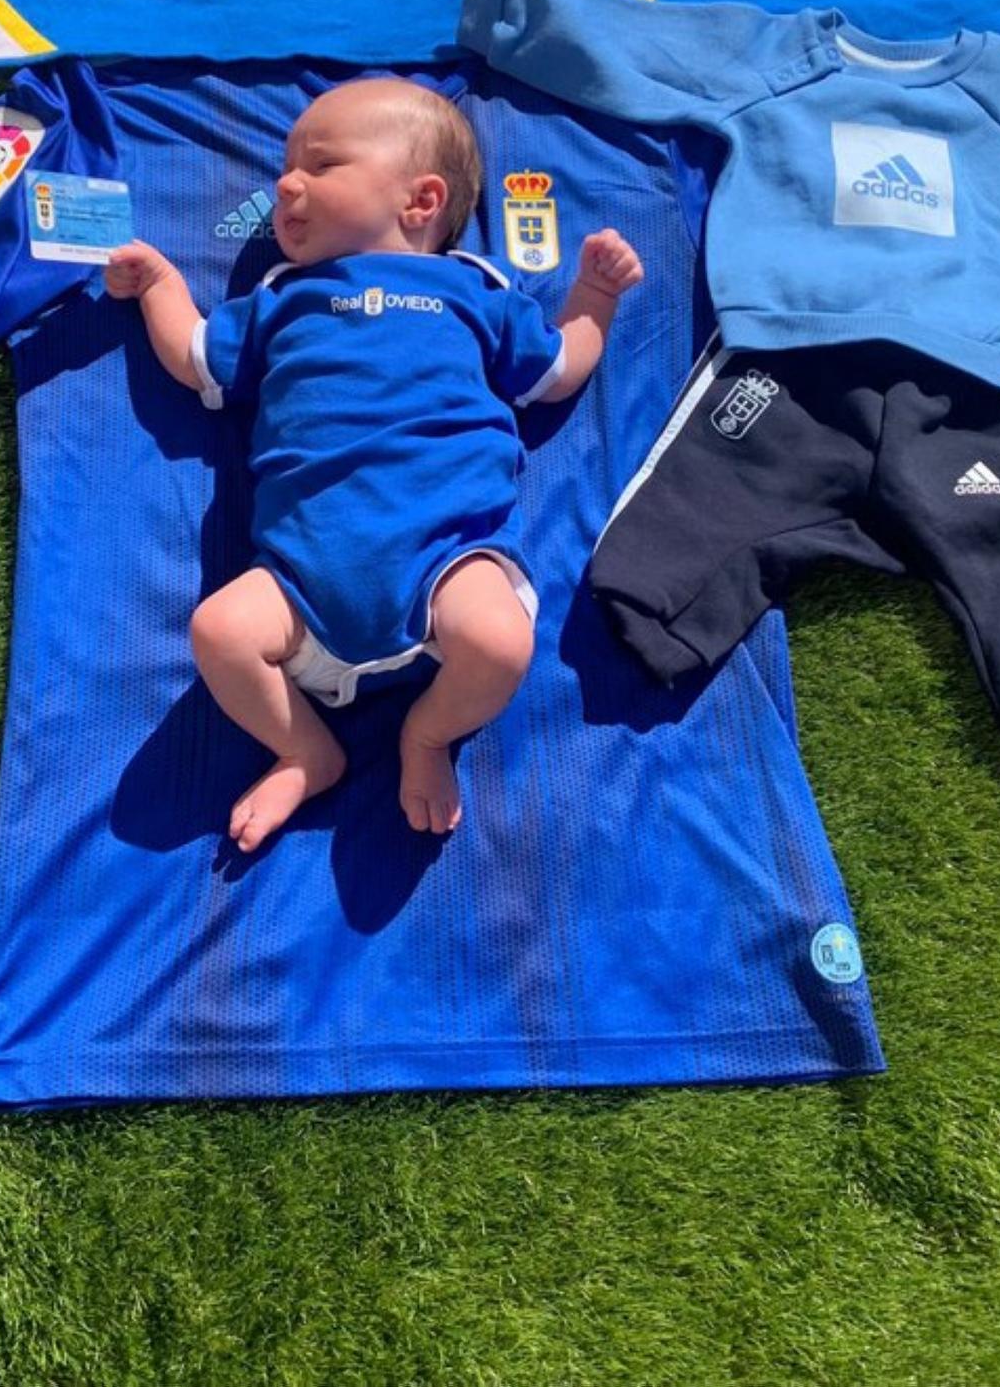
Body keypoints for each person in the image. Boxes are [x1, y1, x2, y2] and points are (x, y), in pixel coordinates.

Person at [105, 76, 643, 849]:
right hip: (301, 569)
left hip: (447, 553)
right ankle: (305, 750)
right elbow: (196, 358)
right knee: (219, 631)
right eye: (286, 168)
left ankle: (427, 733)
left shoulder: (473, 289)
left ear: (421, 202)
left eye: (320, 166)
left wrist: (594, 296)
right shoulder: (285, 295)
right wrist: (161, 285)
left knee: (498, 642)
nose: (284, 185)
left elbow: (556, 368)